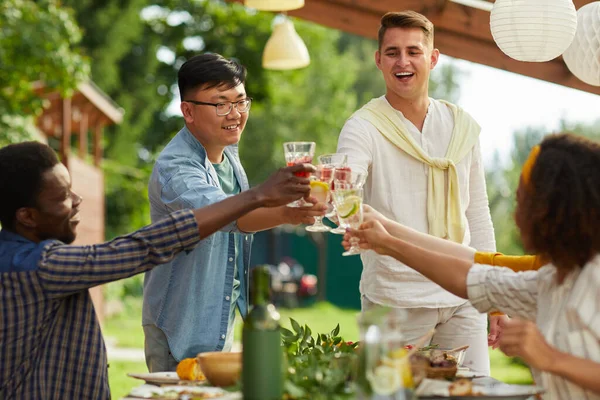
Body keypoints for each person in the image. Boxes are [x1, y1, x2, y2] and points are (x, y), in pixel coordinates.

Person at [0, 141, 315, 400]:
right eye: (63, 198)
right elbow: (139, 248)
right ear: (27, 216)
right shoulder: (36, 267)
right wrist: (256, 196)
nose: (77, 199)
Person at [346, 133, 600, 399]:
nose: (515, 216)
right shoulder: (550, 279)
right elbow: (472, 275)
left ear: (552, 210)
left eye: (522, 201)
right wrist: (387, 242)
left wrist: (550, 358)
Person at [336, 11, 497, 373]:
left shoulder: (461, 126)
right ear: (378, 60)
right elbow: (343, 194)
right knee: (388, 397)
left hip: (463, 294)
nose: (403, 61)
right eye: (392, 52)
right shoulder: (363, 127)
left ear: (433, 58)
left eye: (414, 51)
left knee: (474, 395)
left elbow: (478, 213)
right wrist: (341, 204)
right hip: (395, 302)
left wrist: (494, 296)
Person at [143, 53, 326, 371]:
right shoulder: (176, 167)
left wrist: (291, 211)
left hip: (217, 322)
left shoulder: (228, 154)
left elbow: (244, 216)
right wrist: (274, 203)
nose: (236, 114)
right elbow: (222, 216)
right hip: (178, 328)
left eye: (241, 102)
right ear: (188, 111)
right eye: (221, 104)